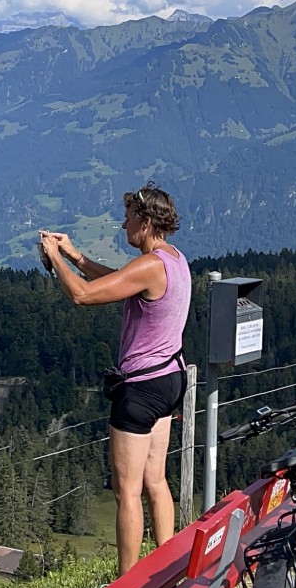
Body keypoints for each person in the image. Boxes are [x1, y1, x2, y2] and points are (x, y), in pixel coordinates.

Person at [35, 188, 193, 552]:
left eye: (129, 218)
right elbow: (120, 282)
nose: (124, 225)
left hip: (140, 389)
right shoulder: (173, 260)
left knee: (127, 492)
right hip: (170, 377)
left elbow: (83, 295)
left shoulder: (150, 264)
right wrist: (77, 255)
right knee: (156, 480)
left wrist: (56, 258)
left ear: (147, 222)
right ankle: (167, 570)